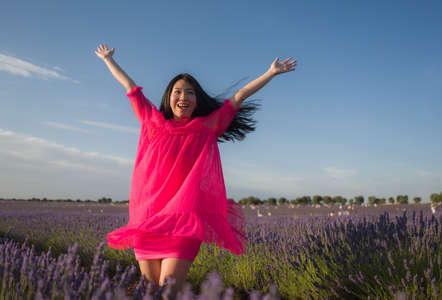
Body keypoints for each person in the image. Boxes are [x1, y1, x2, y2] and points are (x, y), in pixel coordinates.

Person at [95, 43, 296, 298]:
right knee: (149, 292)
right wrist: (108, 60)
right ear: (169, 97)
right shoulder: (151, 121)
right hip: (147, 220)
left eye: (189, 93)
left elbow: (239, 97)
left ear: (196, 99)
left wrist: (270, 73)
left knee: (167, 292)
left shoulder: (206, 127)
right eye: (177, 92)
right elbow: (130, 87)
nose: (183, 97)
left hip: (184, 223)